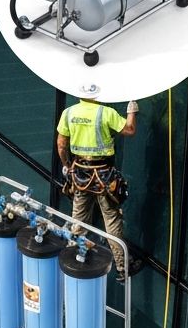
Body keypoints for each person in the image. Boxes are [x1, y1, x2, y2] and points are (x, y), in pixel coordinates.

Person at [56, 84, 141, 281]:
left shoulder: (68, 113)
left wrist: (67, 164)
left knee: (79, 219)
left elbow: (61, 144)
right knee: (111, 221)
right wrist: (131, 112)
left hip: (80, 174)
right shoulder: (106, 112)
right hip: (103, 175)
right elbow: (129, 130)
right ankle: (123, 267)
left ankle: (74, 257)